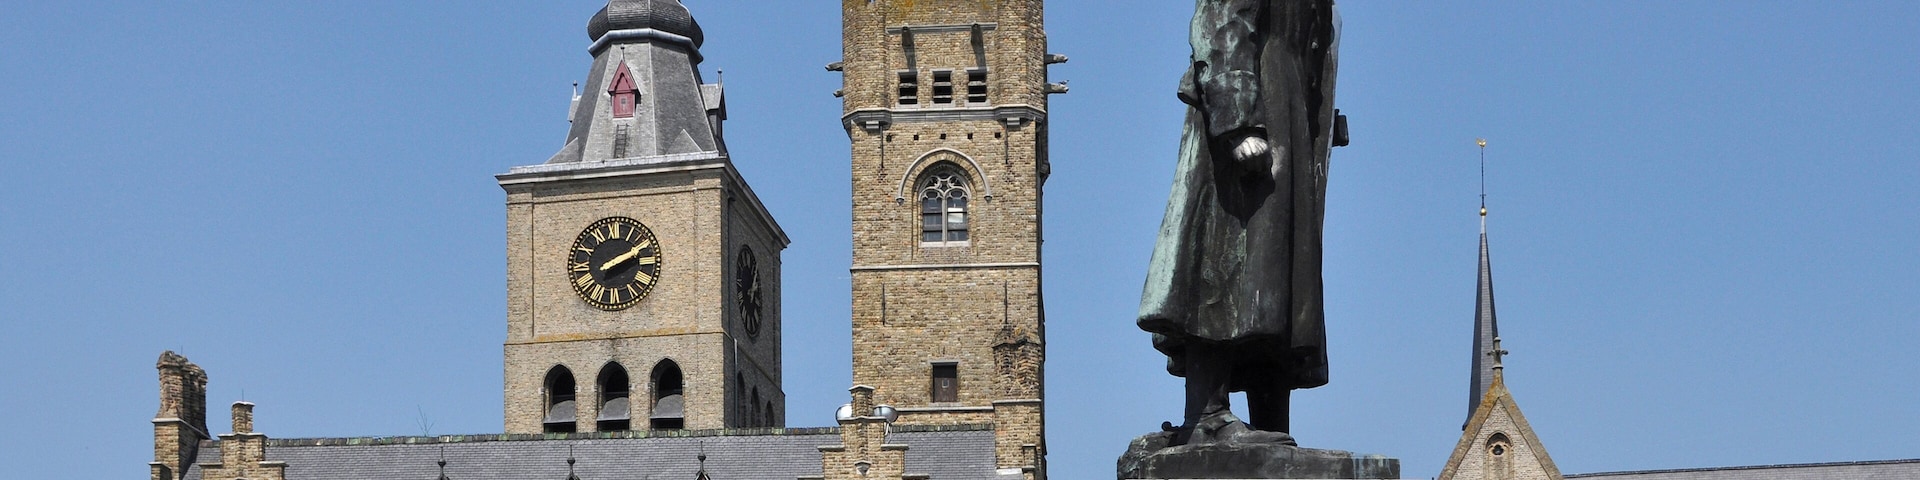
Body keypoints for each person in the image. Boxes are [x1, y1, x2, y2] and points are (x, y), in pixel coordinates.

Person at [1137, 0, 1344, 445]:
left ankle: (1271, 423)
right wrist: (1238, 123)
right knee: (1222, 270)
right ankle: (1207, 415)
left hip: (1288, 117)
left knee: (1277, 287)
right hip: (1253, 114)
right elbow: (1222, 22)